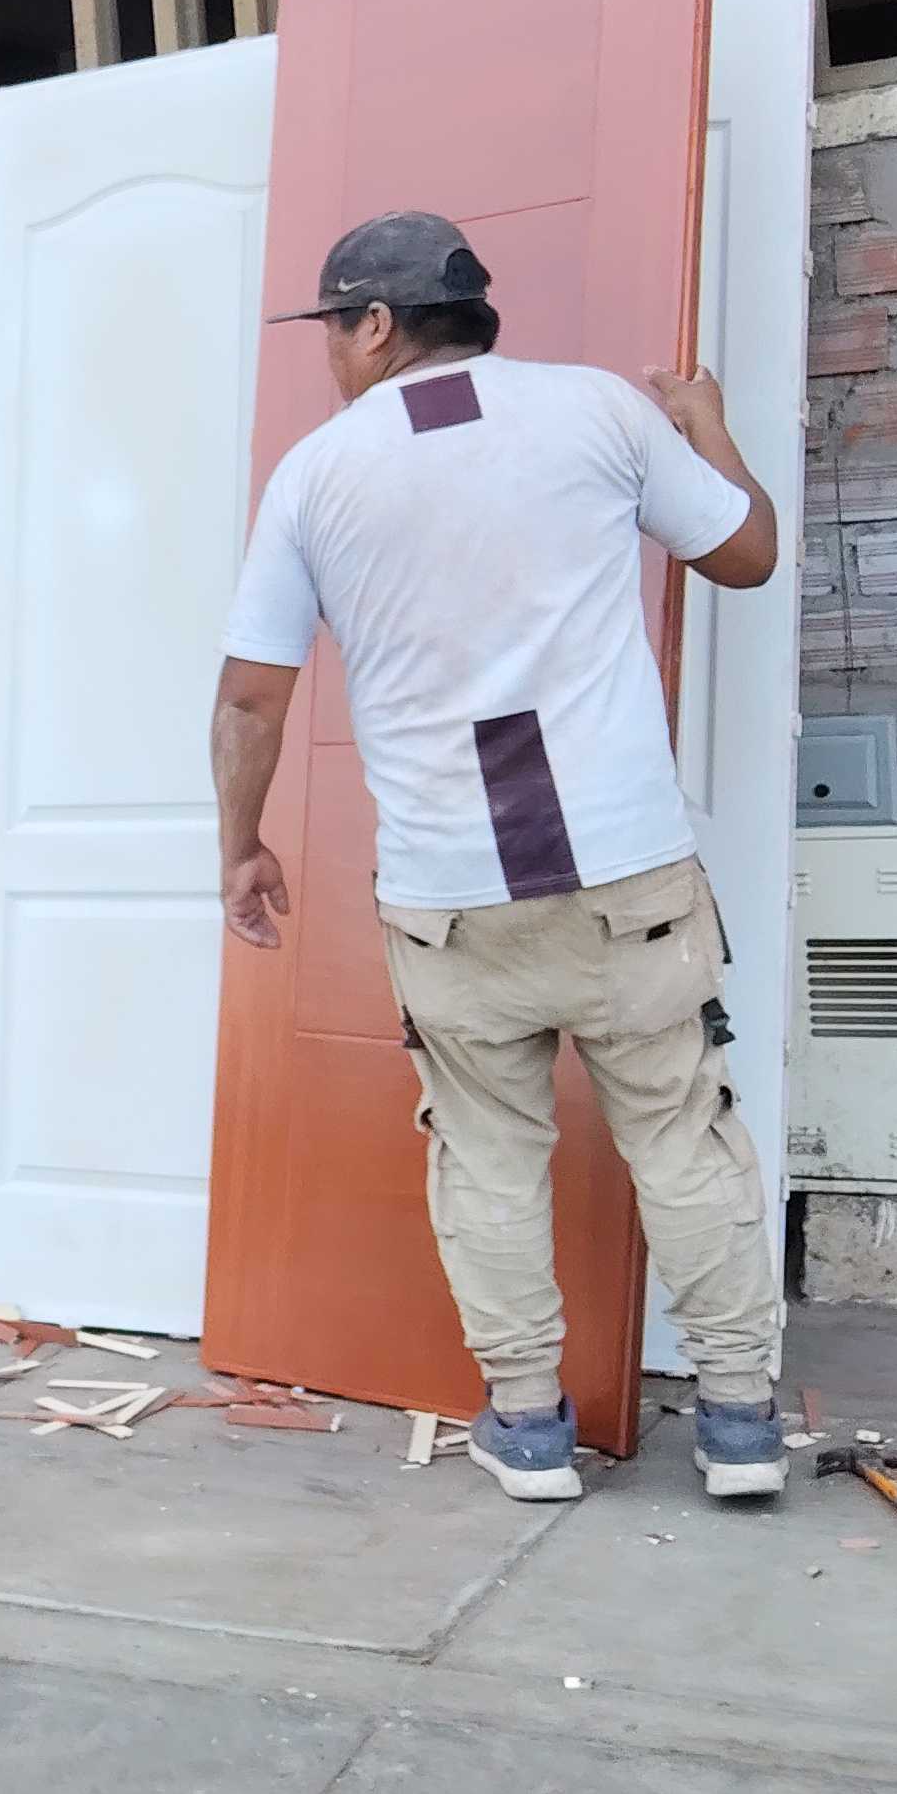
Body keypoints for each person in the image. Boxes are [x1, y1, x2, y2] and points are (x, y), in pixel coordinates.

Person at [209, 209, 787, 1511]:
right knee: (684, 1137)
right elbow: (747, 554)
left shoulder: (315, 475)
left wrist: (241, 844)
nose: (329, 356)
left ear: (375, 324)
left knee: (485, 1156)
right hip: (625, 872)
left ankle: (528, 1428)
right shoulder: (598, 411)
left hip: (453, 895)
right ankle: (742, 1422)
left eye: (332, 330)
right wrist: (706, 423)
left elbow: (251, 697)